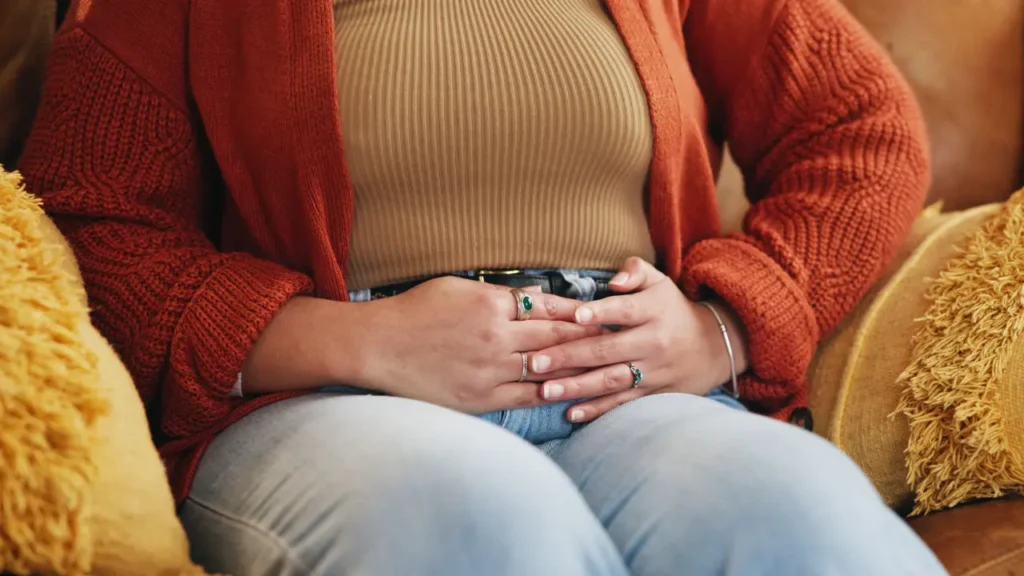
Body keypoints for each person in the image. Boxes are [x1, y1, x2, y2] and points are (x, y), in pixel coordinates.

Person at [20, 0, 948, 574]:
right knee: (479, 522)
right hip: (335, 400)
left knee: (794, 508)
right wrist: (363, 341)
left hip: (629, 397)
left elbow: (861, 127)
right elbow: (95, 224)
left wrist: (727, 326)